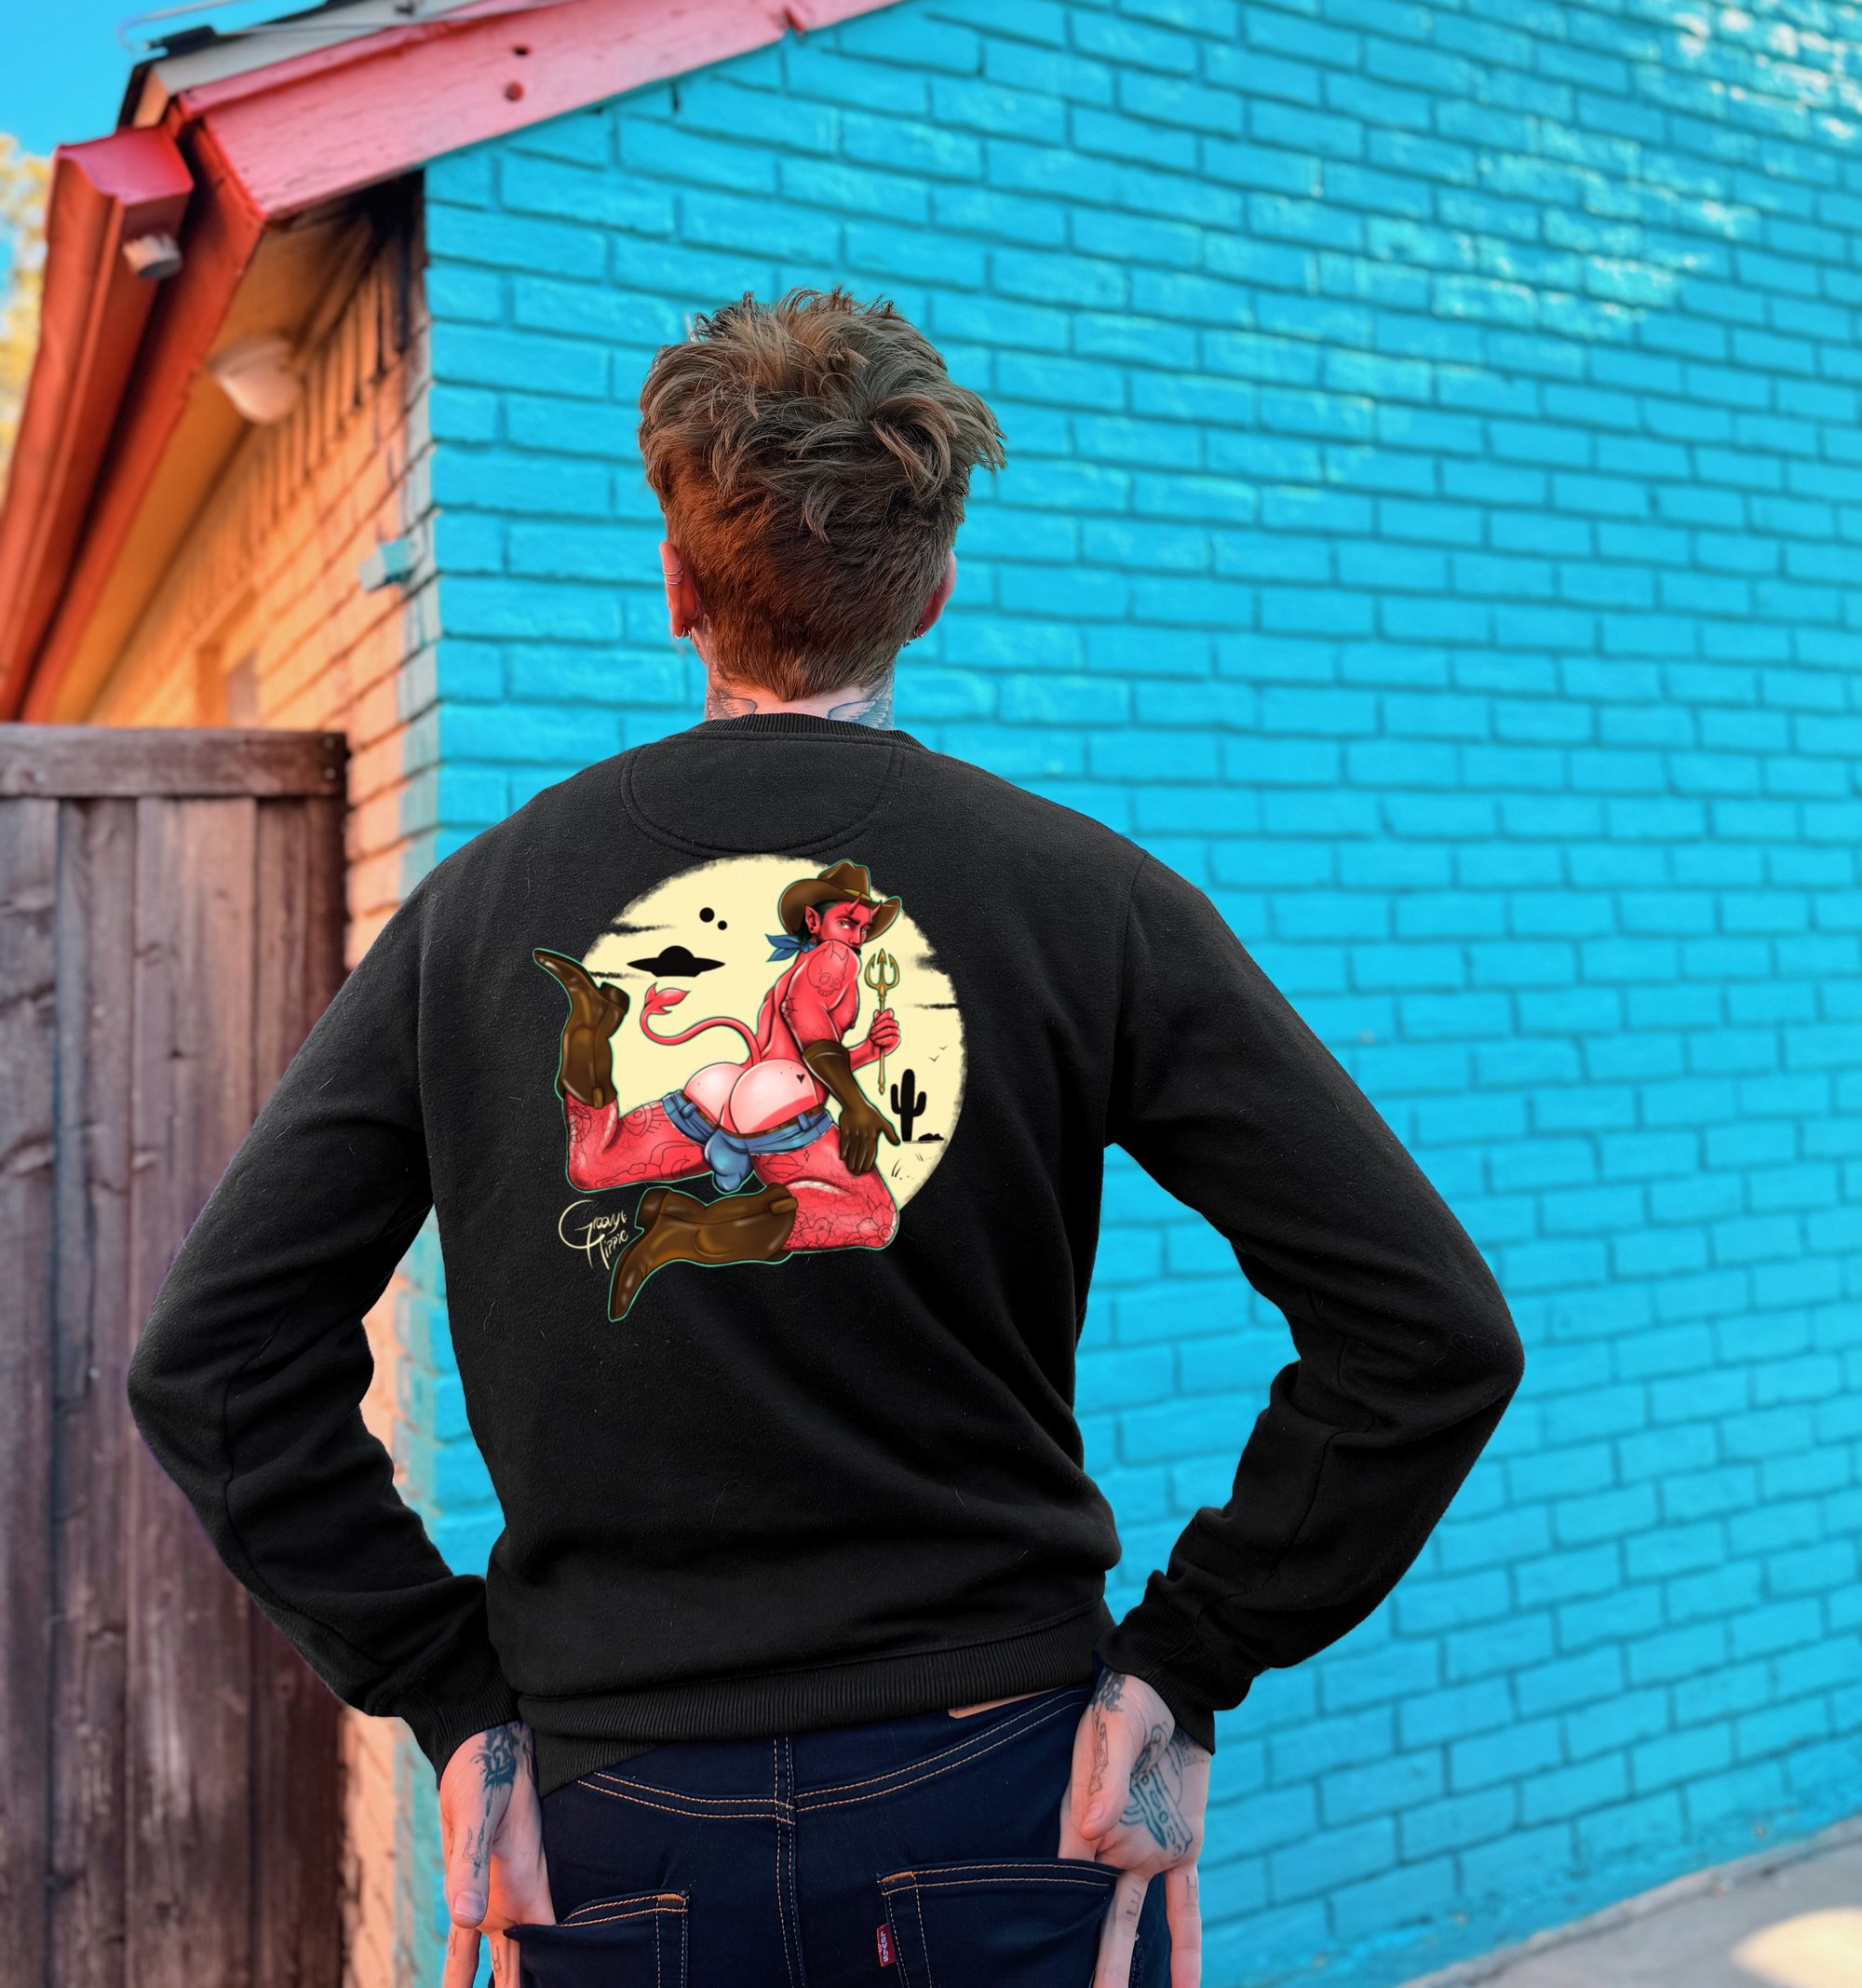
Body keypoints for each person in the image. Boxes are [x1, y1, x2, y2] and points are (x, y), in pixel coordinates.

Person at [128, 288, 1525, 1988]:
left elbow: (212, 1362)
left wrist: (446, 1691)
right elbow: (1430, 1335)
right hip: (1011, 1796)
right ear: (932, 592)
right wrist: (1189, 1664)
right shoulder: (1085, 900)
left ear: (676, 586)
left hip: (609, 1826)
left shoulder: (474, 917)